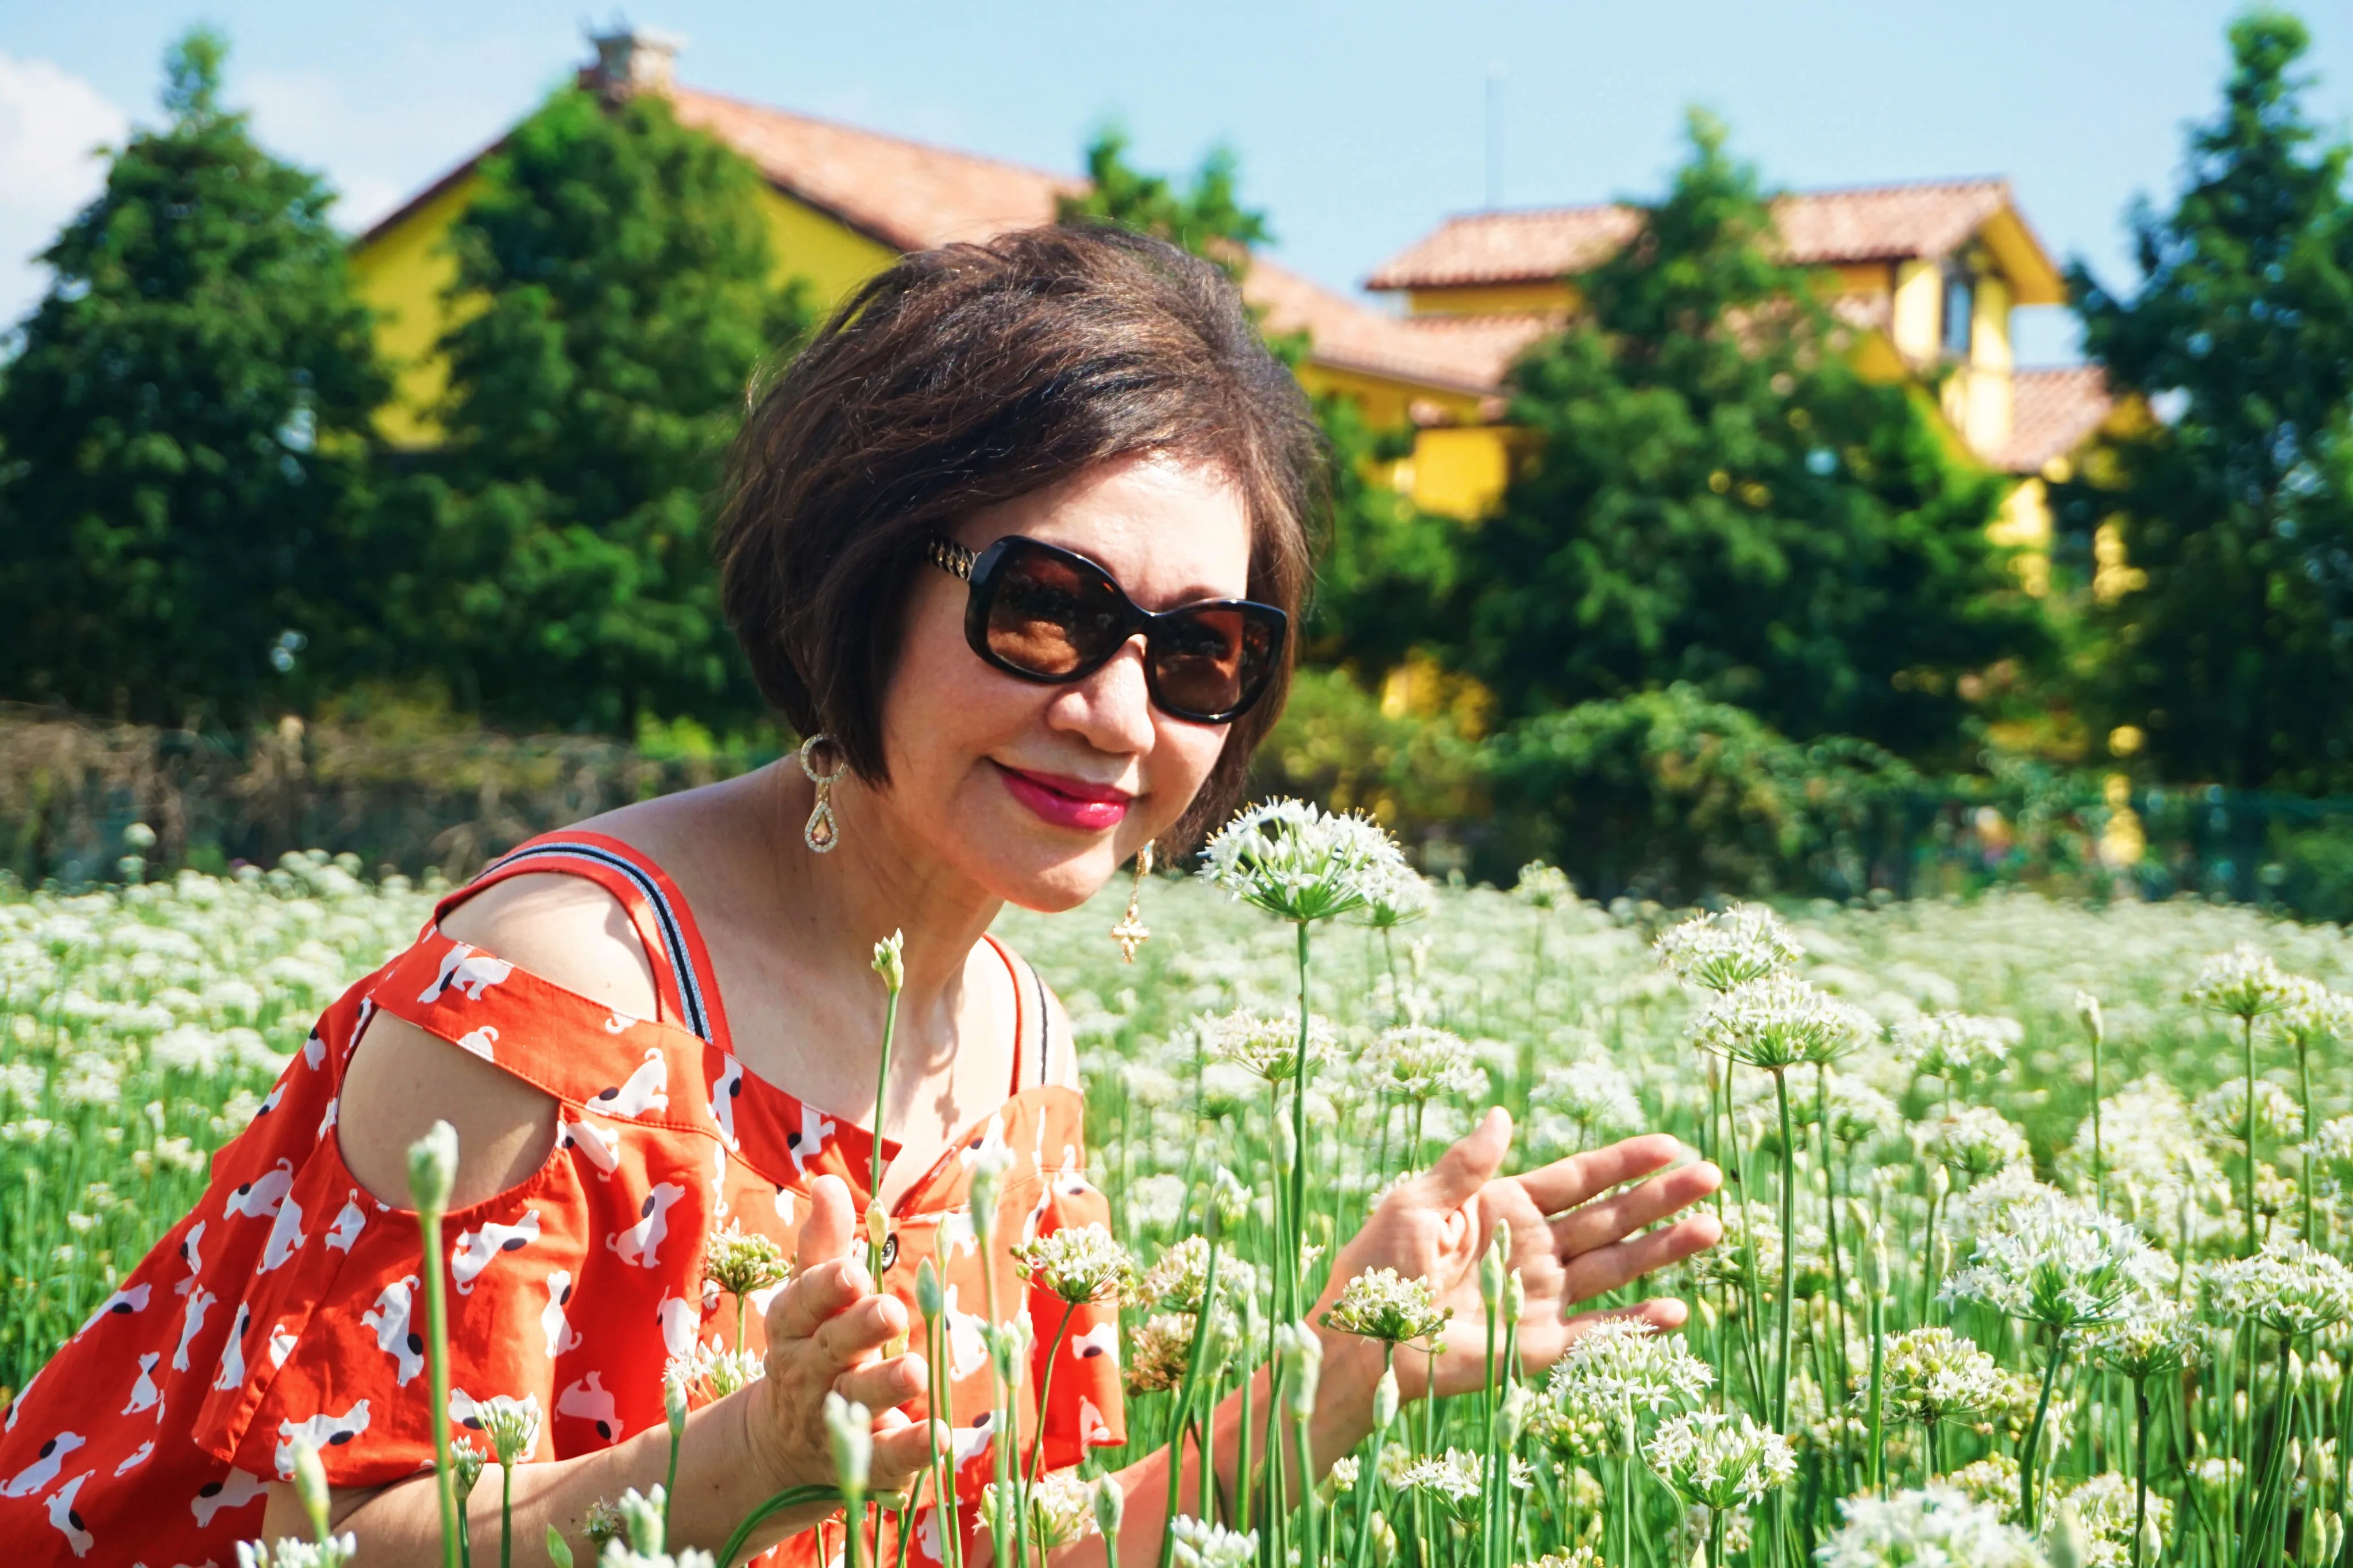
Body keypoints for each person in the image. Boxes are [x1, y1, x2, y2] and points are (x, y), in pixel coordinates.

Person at [0, 225, 1722, 1566]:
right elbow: (335, 1537)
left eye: (1201, 651)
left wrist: (1333, 1386)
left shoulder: (1020, 1043)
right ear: (864, 575)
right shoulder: (557, 993)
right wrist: (752, 1456)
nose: (1120, 714)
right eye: (1044, 610)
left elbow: (1006, 1544)